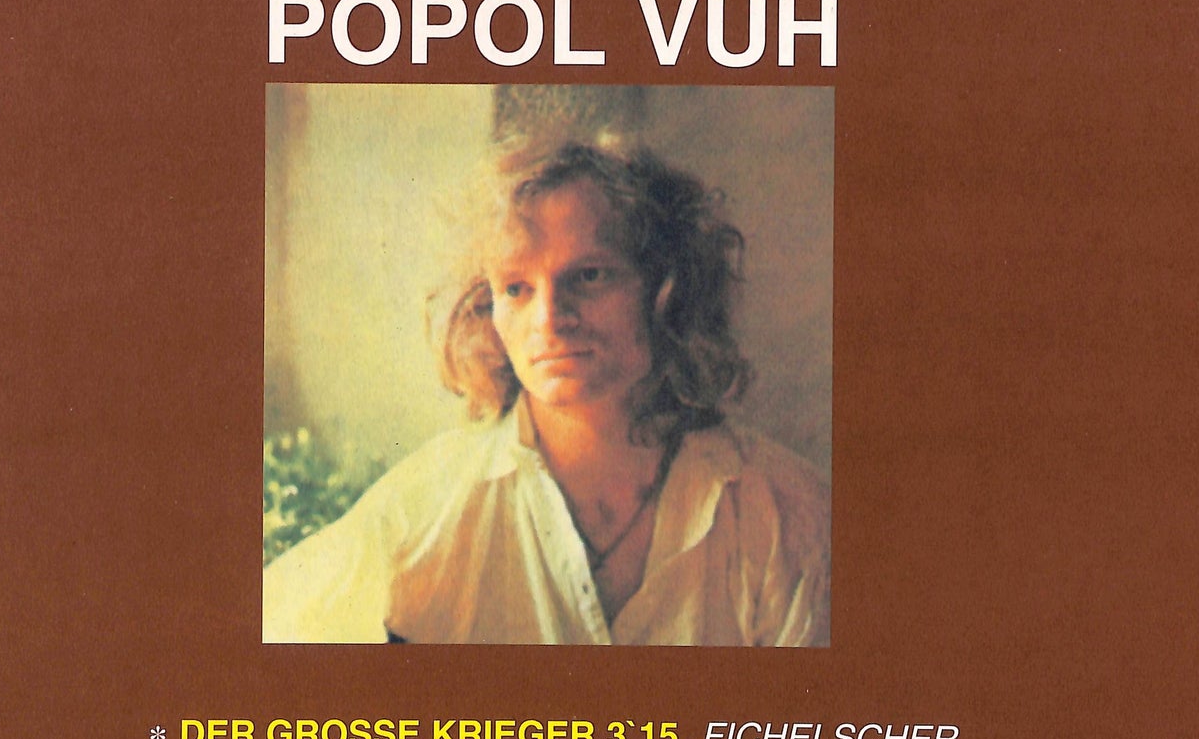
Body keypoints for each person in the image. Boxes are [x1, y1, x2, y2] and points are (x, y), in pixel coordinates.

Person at [262, 137, 829, 645]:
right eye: (517, 288)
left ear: (665, 290)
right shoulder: (426, 509)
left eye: (589, 276)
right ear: (486, 307)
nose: (551, 319)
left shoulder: (787, 512)